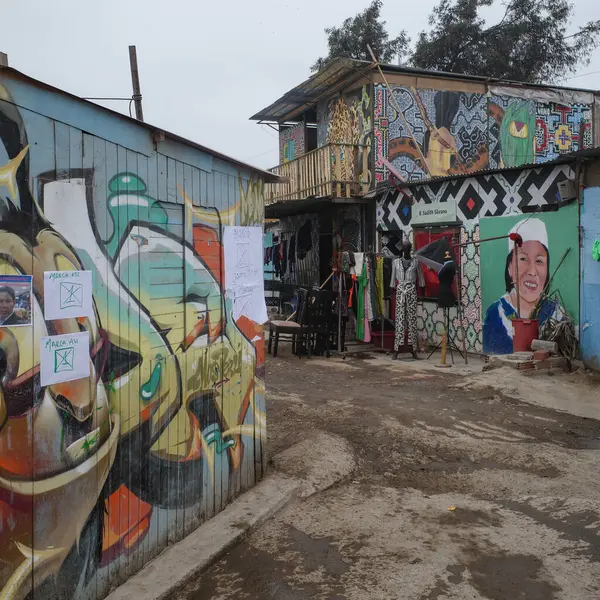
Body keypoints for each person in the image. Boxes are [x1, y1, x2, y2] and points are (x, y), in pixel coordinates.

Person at [483, 218, 562, 354]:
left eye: (539, 261)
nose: (532, 271)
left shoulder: (556, 314)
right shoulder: (496, 313)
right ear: (510, 267)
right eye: (523, 259)